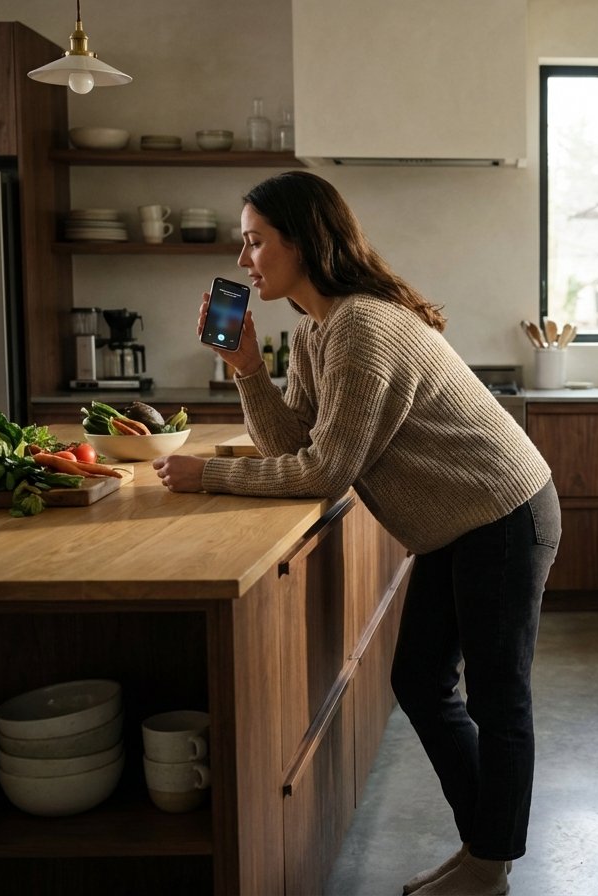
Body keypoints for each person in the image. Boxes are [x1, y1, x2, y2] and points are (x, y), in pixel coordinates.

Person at [152, 170, 560, 896]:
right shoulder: (318, 331)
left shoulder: (363, 328)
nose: (243, 261)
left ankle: (488, 865)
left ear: (303, 242)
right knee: (420, 681)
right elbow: (294, 447)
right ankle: (483, 850)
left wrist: (208, 476)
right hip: (460, 525)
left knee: (499, 700)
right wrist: (247, 369)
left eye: (255, 243)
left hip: (501, 514)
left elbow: (326, 470)